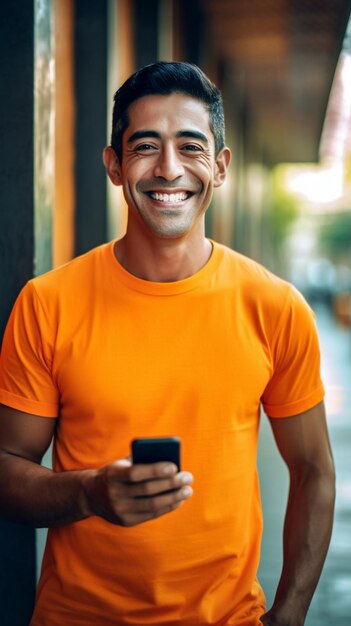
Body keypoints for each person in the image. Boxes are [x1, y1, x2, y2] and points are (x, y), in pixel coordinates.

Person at [0, 61, 335, 626]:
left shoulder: (275, 306)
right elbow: (7, 467)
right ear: (114, 165)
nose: (169, 169)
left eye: (191, 146)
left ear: (222, 167)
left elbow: (313, 470)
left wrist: (292, 611)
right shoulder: (47, 303)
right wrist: (89, 493)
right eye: (146, 146)